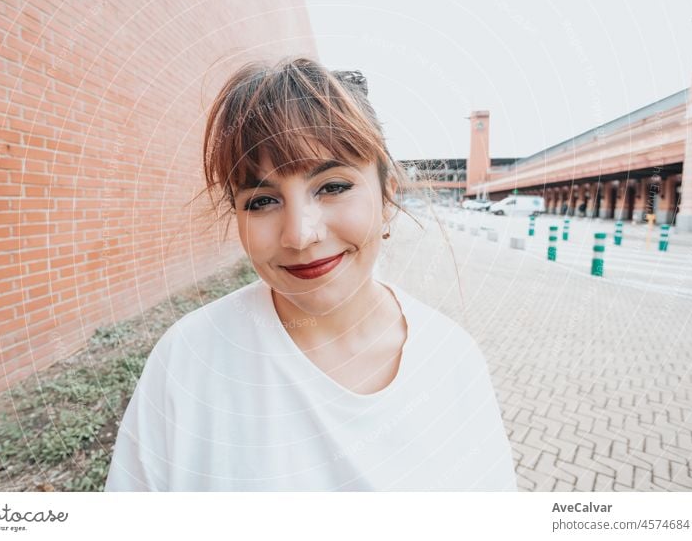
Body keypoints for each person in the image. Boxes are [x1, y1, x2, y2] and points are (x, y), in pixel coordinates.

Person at [104, 57, 517, 492]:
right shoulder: (188, 361)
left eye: (333, 187)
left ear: (387, 195)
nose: (300, 235)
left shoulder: (451, 361)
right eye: (262, 201)